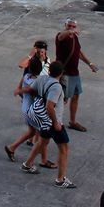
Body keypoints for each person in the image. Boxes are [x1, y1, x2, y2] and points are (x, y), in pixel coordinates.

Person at [19, 60, 74, 188]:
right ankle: (60, 179)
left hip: (43, 119)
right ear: (61, 73)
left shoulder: (42, 79)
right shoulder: (57, 86)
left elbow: (31, 89)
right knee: (64, 148)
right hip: (52, 121)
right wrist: (56, 123)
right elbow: (50, 106)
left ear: (49, 71)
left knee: (43, 141)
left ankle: (27, 165)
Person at [5, 55, 52, 168]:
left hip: (25, 108)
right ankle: (42, 160)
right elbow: (31, 90)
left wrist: (20, 91)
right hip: (32, 111)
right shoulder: (38, 82)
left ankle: (12, 148)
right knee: (43, 134)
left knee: (32, 132)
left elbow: (23, 90)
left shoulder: (26, 76)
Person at [55, 18, 97, 131]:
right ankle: (53, 121)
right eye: (69, 26)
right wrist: (70, 31)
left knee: (75, 96)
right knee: (63, 99)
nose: (71, 28)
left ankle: (72, 122)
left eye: (73, 26)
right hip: (65, 74)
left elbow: (78, 52)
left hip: (74, 73)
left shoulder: (74, 37)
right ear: (65, 25)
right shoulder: (61, 36)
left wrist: (90, 63)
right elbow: (61, 36)